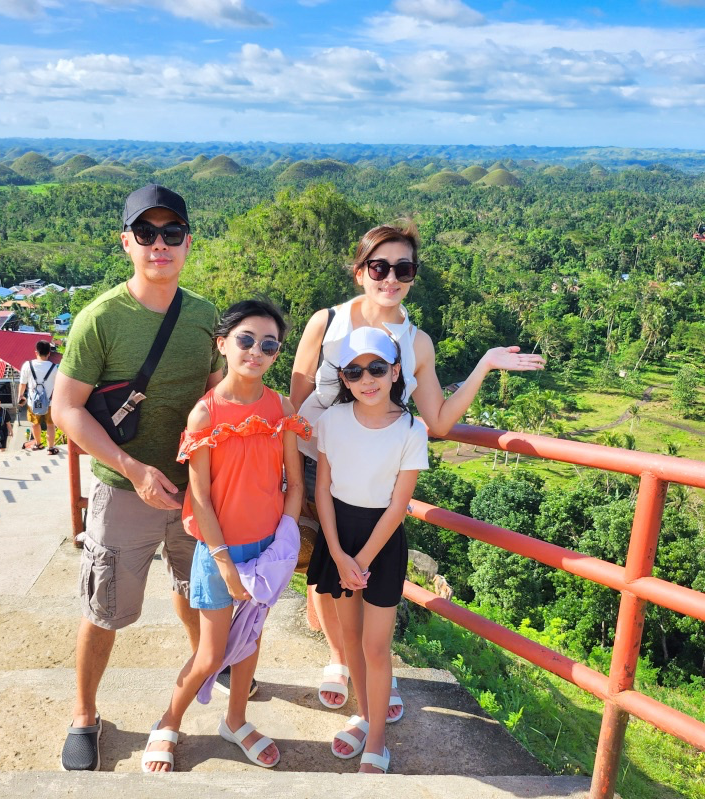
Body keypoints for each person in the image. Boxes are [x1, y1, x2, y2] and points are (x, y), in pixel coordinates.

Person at [289, 222, 546, 718]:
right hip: (318, 463)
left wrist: (484, 365)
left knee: (370, 569)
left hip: (379, 478)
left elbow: (441, 422)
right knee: (324, 564)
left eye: (402, 269)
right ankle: (340, 661)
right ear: (361, 269)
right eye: (379, 267)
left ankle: (374, 670)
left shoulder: (416, 342)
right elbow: (298, 398)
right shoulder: (327, 322)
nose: (390, 279)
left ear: (412, 275)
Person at [51, 184, 223, 772]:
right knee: (105, 609)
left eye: (171, 234)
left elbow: (216, 389)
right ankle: (84, 715)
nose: (159, 245)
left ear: (187, 243)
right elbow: (65, 408)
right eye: (146, 234)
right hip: (124, 490)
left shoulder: (203, 315)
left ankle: (205, 663)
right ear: (127, 242)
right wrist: (131, 467)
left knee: (192, 588)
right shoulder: (101, 318)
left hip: (194, 489)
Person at [141, 300, 308, 773]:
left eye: (269, 345)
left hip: (267, 550)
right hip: (219, 553)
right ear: (223, 344)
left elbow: (294, 484)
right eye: (246, 340)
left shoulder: (282, 407)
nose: (257, 351)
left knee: (251, 642)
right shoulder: (205, 415)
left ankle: (236, 721)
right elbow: (201, 501)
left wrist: (285, 541)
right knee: (212, 652)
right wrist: (226, 564)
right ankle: (168, 722)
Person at [306, 326, 428, 774]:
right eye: (354, 372)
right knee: (351, 638)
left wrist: (361, 560)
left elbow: (399, 504)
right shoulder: (332, 421)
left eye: (377, 368)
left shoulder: (411, 429)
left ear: (395, 371)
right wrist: (339, 555)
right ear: (344, 379)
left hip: (381, 540)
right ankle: (362, 714)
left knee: (377, 647)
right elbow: (323, 490)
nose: (367, 379)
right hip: (339, 534)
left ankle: (377, 736)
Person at [18, 340, 60, 455]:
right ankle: (51, 448)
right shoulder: (54, 368)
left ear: (36, 352)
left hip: (33, 401)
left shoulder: (28, 365)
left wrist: (20, 397)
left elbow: (23, 383)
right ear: (49, 353)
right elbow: (58, 386)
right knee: (50, 424)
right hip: (50, 402)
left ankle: (38, 444)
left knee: (35, 423)